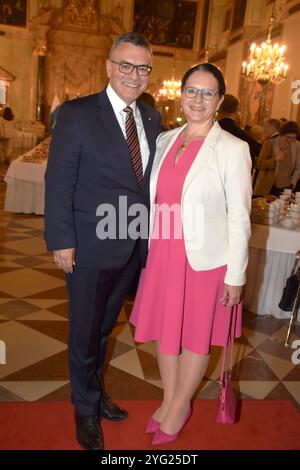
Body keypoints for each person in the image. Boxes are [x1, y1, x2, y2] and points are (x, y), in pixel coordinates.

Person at [44, 32, 161, 450]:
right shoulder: (76, 114)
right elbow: (59, 180)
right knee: (83, 331)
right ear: (109, 67)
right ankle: (85, 407)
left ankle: (95, 393)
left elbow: (145, 184)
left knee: (103, 328)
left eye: (142, 67)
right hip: (89, 245)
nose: (134, 74)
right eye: (126, 65)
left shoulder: (151, 117)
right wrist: (62, 240)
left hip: (130, 243)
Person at [130, 63, 252, 445]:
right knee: (166, 333)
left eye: (207, 93)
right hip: (164, 253)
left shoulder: (232, 149)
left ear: (219, 101)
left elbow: (240, 218)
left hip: (204, 261)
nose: (198, 99)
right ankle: (169, 400)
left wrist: (236, 275)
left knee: (195, 337)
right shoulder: (166, 140)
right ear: (180, 94)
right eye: (191, 90)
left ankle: (180, 406)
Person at [254, 121, 300, 196]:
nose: (290, 140)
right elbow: (259, 165)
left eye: (293, 138)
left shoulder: (297, 145)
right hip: (267, 187)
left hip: (286, 188)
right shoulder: (269, 144)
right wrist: (275, 159)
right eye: (288, 137)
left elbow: (298, 168)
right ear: (281, 135)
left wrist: (292, 183)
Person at [218, 93, 260, 165]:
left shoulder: (205, 132)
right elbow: (252, 161)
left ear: (217, 107)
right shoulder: (246, 137)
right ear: (236, 110)